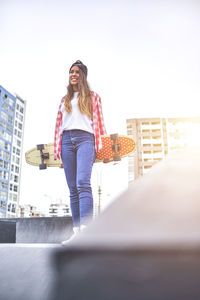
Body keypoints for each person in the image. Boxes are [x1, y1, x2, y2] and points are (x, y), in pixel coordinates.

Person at [54, 60, 107, 243]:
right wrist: (58, 151)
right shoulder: (64, 100)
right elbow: (58, 127)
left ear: (83, 75)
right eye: (71, 72)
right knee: (72, 189)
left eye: (77, 71)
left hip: (86, 139)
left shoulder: (93, 96)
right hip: (66, 141)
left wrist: (104, 150)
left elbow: (100, 123)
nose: (73, 74)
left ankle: (86, 231)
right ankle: (77, 232)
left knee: (82, 182)